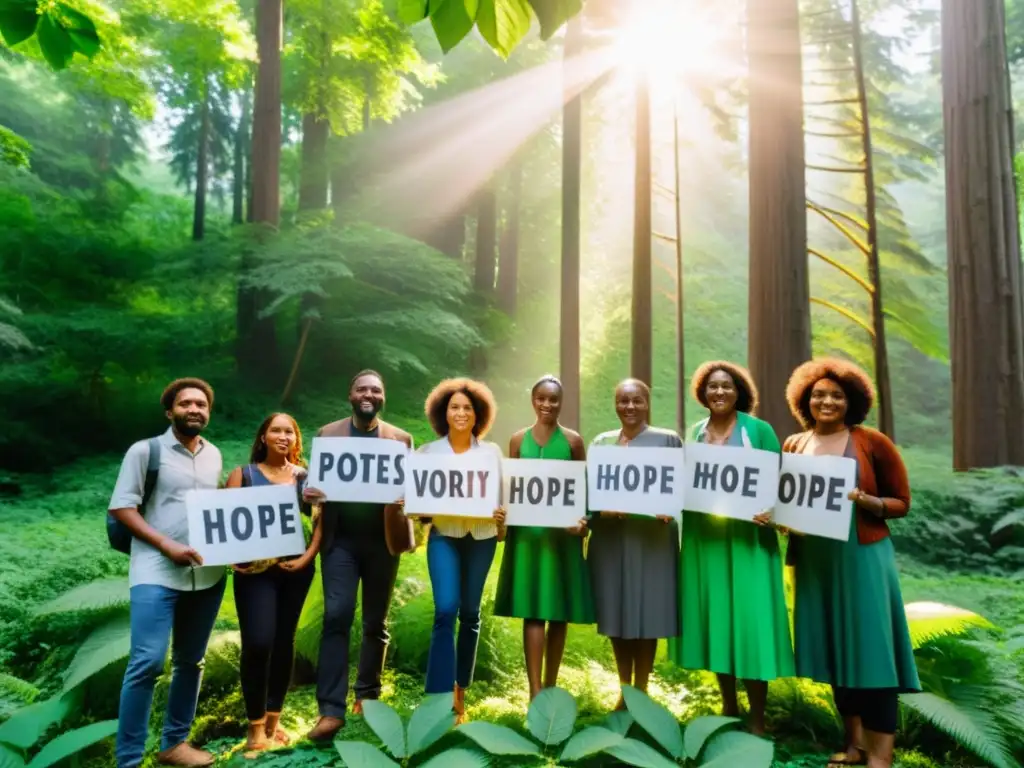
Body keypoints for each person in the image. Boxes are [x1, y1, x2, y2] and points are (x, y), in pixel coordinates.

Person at [782, 358, 920, 768]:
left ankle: (881, 755)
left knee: (872, 653)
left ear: (851, 401)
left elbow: (902, 503)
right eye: (819, 394)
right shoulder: (794, 444)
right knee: (837, 651)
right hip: (817, 564)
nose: (827, 401)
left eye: (837, 395)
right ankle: (855, 745)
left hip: (861, 558)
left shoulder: (871, 441)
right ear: (805, 398)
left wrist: (868, 501)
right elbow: (789, 501)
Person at [667, 361, 794, 735]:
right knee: (718, 620)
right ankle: (728, 704)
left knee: (751, 624)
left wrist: (774, 512)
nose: (718, 392)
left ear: (739, 391)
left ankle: (757, 715)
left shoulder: (759, 430)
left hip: (750, 545)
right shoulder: (695, 432)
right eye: (711, 387)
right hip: (708, 543)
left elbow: (782, 484)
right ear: (702, 393)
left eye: (726, 386)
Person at [108, 378, 225, 768]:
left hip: (206, 576)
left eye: (201, 404)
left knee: (191, 662)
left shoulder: (215, 455)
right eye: (186, 403)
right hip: (155, 571)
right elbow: (123, 508)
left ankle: (175, 744)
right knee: (148, 662)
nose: (194, 409)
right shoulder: (145, 451)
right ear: (169, 411)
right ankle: (128, 759)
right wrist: (166, 545)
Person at [302, 370, 414, 741]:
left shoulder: (400, 439)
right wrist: (310, 495)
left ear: (384, 397)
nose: (369, 394)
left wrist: (408, 500)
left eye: (376, 390)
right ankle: (330, 711)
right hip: (340, 542)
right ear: (350, 394)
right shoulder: (327, 435)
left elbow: (414, 493)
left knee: (374, 622)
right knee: (337, 615)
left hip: (383, 542)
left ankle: (367, 696)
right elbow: (314, 492)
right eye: (362, 388)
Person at [493, 375, 594, 700]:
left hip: (561, 538)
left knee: (558, 610)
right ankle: (535, 690)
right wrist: (502, 518)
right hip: (528, 539)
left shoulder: (574, 442)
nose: (547, 405)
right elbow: (512, 487)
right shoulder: (518, 440)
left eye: (553, 399)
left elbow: (583, 490)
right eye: (542, 399)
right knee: (533, 609)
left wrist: (584, 523)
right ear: (533, 401)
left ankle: (550, 685)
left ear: (561, 403)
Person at [224, 413, 319, 751]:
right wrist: (231, 556)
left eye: (289, 432)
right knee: (259, 642)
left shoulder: (307, 479)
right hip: (255, 574)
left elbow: (322, 521)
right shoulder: (243, 475)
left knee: (283, 642)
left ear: (296, 440)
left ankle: (273, 723)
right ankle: (254, 730)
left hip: (296, 570)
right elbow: (224, 520)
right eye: (275, 430)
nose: (283, 436)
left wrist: (308, 557)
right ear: (262, 437)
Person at [588, 378, 681, 708]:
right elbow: (590, 492)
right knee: (616, 610)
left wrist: (668, 508)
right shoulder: (601, 443)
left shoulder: (668, 440)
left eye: (637, 400)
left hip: (652, 540)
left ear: (647, 403)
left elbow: (680, 486)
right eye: (623, 400)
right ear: (615, 403)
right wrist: (600, 509)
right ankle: (624, 689)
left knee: (648, 612)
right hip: (612, 540)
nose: (630, 407)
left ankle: (641, 690)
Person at [419, 378, 506, 723]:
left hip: (482, 538)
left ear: (478, 414)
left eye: (467, 407)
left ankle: (459, 697)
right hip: (444, 536)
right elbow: (418, 503)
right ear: (444, 412)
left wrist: (501, 519)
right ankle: (438, 699)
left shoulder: (491, 453)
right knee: (445, 609)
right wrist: (410, 501)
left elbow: (502, 507)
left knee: (469, 613)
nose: (460, 412)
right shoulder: (427, 453)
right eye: (454, 406)